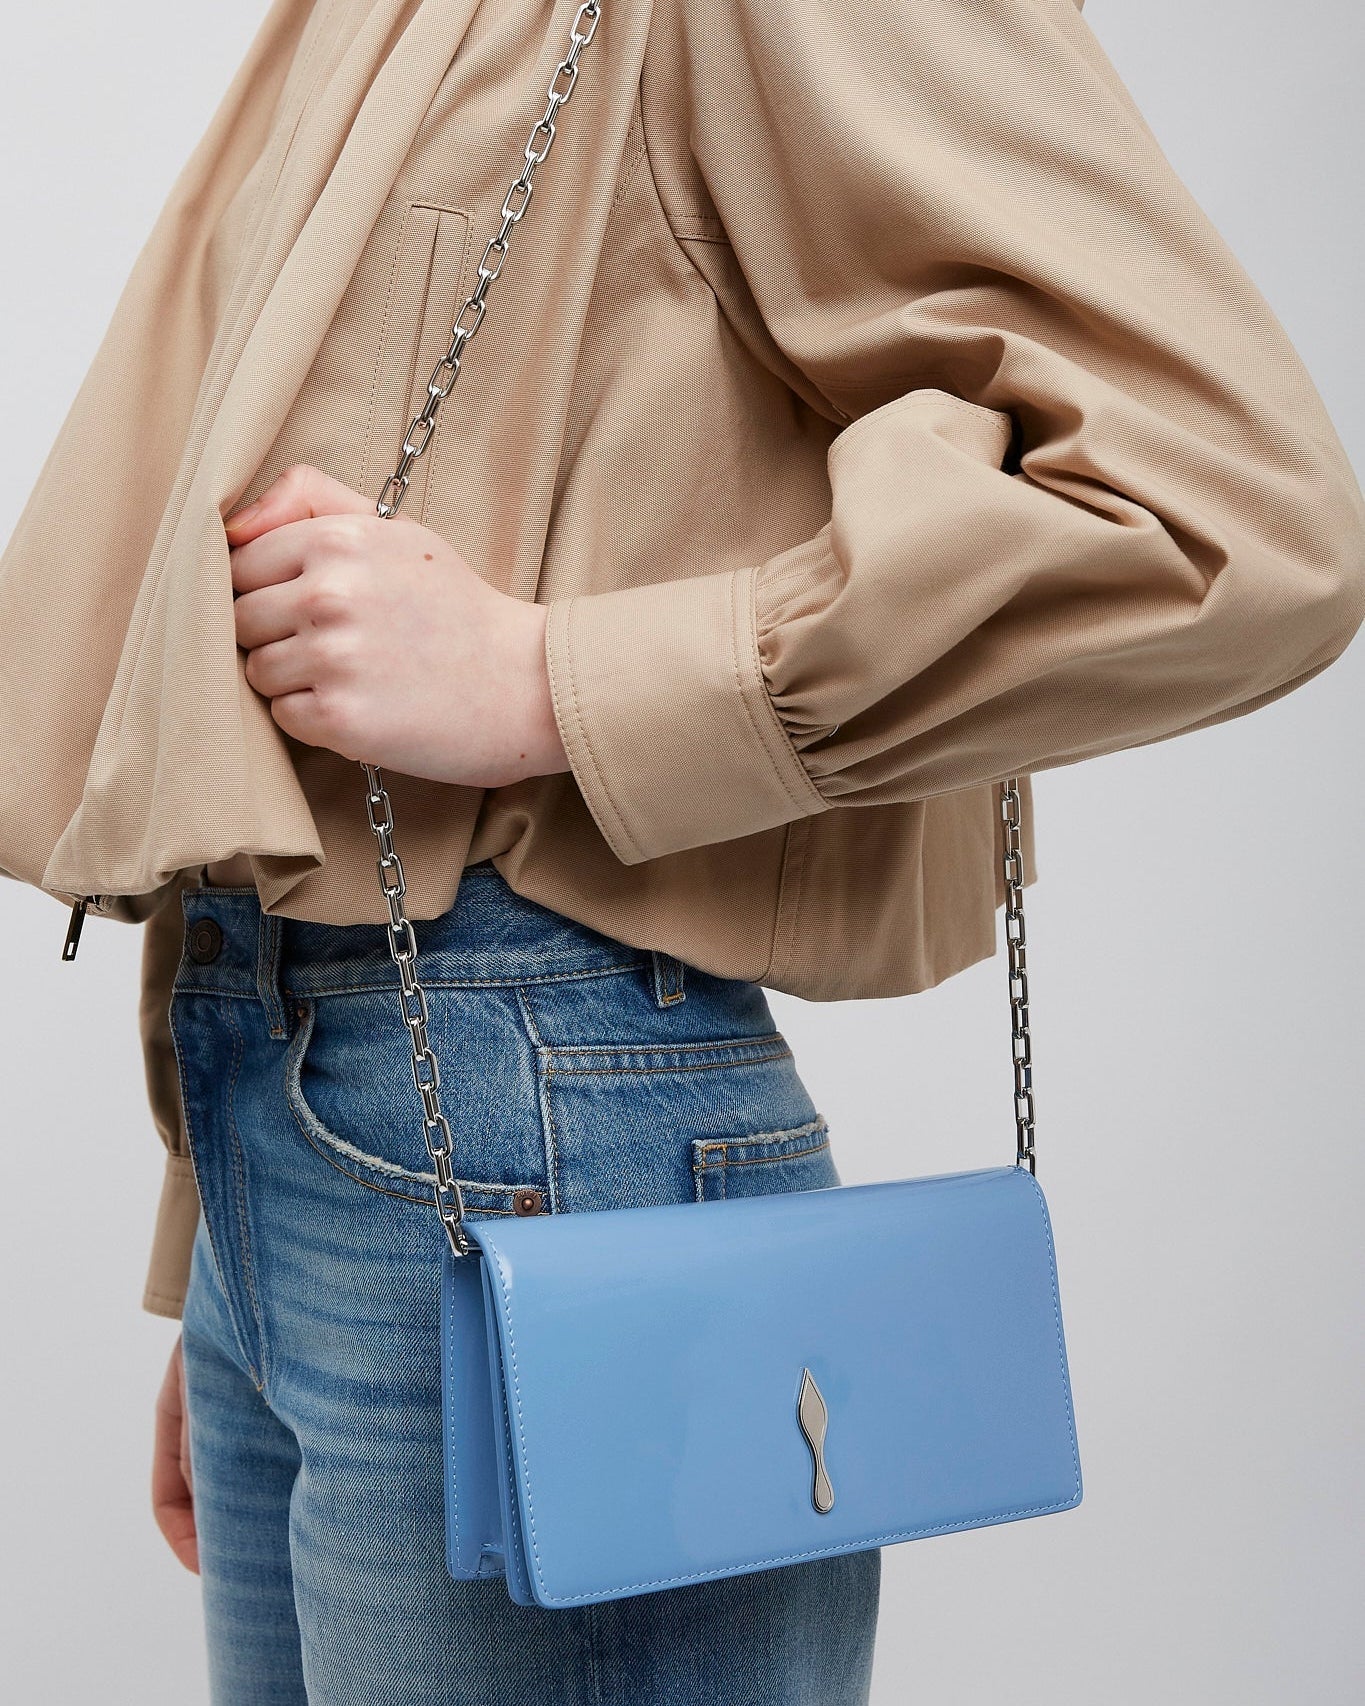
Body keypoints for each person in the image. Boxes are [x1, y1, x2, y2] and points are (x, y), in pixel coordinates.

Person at [2, 0, 1362, 1701]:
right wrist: (231, 1254)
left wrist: (551, 681)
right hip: (309, 1142)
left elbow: (1239, 517)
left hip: (540, 1123)